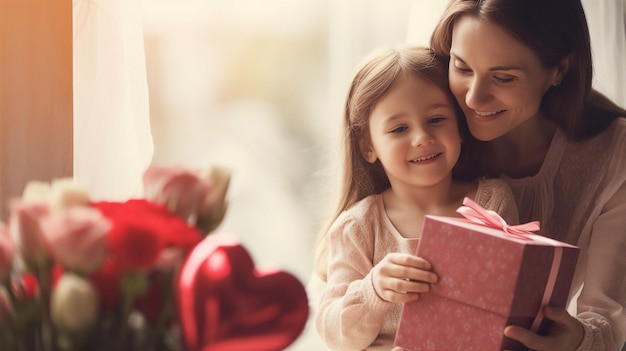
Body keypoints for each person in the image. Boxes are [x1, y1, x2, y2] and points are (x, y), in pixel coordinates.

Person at [429, 1, 626, 350]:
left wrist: (577, 338)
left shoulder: (614, 153)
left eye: (503, 77)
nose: (474, 97)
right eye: (461, 67)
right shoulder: (426, 128)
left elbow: (607, 315)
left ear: (559, 70)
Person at [313, 45, 519, 350]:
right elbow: (334, 335)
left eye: (436, 119)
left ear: (460, 126)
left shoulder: (492, 203)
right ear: (368, 146)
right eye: (399, 128)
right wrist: (374, 290)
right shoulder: (357, 227)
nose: (422, 137)